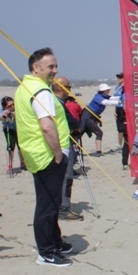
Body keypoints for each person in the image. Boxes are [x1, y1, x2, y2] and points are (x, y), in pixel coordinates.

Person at [15, 47, 75, 267]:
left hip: (36, 153)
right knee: (47, 205)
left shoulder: (25, 86)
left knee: (53, 201)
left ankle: (55, 241)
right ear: (36, 68)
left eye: (56, 66)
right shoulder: (40, 91)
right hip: (46, 155)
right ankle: (46, 252)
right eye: (50, 66)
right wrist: (58, 154)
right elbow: (47, 126)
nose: (55, 70)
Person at [51, 78, 84, 221]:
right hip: (61, 145)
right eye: (68, 88)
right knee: (66, 177)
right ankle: (63, 209)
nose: (70, 91)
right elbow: (72, 121)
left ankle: (58, 207)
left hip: (54, 144)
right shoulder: (57, 102)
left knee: (59, 178)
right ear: (62, 88)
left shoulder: (52, 101)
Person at [80, 83, 118, 156]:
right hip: (88, 116)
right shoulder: (98, 97)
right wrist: (119, 102)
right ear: (103, 91)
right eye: (107, 90)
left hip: (93, 117)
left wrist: (123, 98)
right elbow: (106, 102)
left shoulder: (105, 96)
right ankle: (98, 152)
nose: (108, 91)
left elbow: (113, 98)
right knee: (95, 132)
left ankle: (98, 151)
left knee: (95, 133)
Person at [0, 96, 25, 172]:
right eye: (9, 106)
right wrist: (4, 116)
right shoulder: (2, 111)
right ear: (4, 107)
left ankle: (22, 163)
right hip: (9, 129)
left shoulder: (17, 109)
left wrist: (12, 114)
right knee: (11, 147)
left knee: (21, 146)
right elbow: (0, 117)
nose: (12, 107)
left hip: (19, 129)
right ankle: (10, 165)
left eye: (13, 104)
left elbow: (19, 114)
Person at [114, 73, 128, 167]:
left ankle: (124, 145)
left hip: (123, 109)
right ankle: (119, 144)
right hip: (118, 109)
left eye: (120, 77)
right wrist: (114, 110)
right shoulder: (117, 87)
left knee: (124, 130)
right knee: (119, 129)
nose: (118, 78)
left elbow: (126, 99)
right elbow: (115, 99)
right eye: (118, 77)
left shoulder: (125, 87)